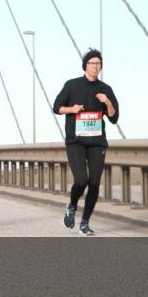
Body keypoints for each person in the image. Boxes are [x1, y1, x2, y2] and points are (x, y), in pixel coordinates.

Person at [53, 48, 120, 236]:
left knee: (95, 183)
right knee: (81, 179)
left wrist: (107, 102)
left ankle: (85, 222)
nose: (95, 67)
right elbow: (56, 107)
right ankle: (72, 205)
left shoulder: (105, 89)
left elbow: (114, 118)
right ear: (85, 65)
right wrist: (72, 109)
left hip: (97, 142)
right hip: (76, 142)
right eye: (92, 63)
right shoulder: (72, 85)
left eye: (98, 64)